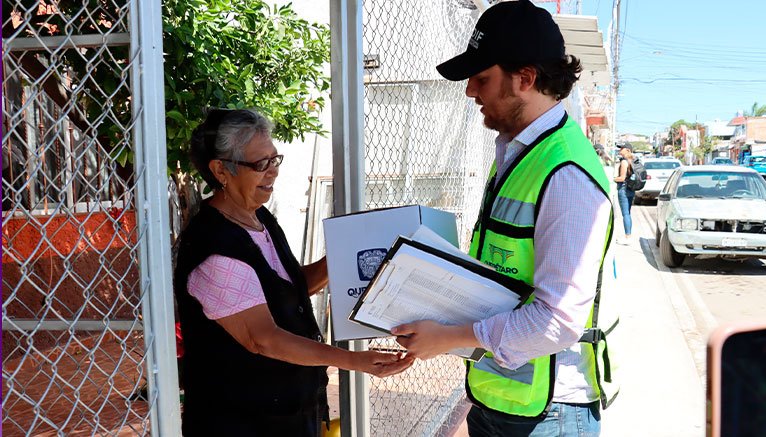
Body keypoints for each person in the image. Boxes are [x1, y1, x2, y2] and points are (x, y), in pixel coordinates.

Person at [391, 1, 618, 436]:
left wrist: (450, 336)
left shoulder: (565, 173)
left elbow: (558, 321)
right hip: (499, 397)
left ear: (525, 79)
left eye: (482, 79)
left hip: (547, 414)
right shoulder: (518, 153)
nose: (470, 91)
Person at [175, 108, 413, 436]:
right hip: (241, 422)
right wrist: (355, 361)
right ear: (221, 170)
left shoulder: (258, 219)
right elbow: (264, 339)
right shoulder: (214, 248)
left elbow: (290, 287)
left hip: (290, 412)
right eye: (260, 164)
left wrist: (350, 255)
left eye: (275, 160)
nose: (272, 173)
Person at [613, 142, 636, 244]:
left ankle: (628, 237)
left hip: (624, 189)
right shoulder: (634, 160)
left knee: (625, 214)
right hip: (631, 189)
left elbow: (622, 178)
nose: (620, 150)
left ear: (628, 150)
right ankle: (629, 235)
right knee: (628, 213)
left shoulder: (624, 162)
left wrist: (612, 178)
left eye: (622, 148)